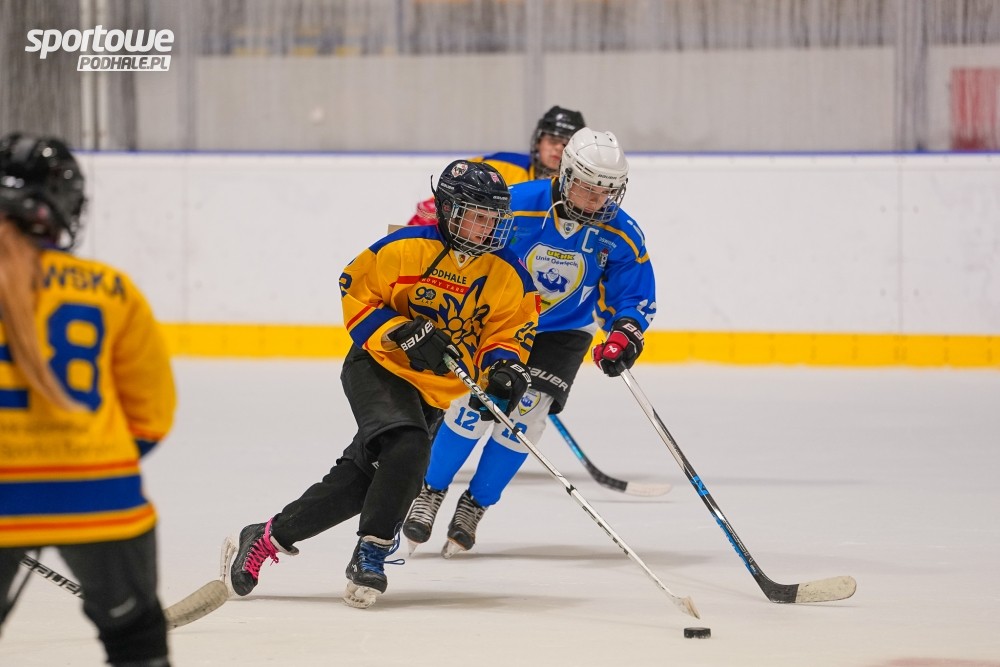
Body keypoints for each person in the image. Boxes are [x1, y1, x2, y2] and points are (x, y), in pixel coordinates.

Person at [225, 160, 540, 609]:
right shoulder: (403, 248)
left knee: (364, 482)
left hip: (433, 390)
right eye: (476, 215)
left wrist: (504, 368)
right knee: (408, 448)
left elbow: (508, 334)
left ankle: (266, 536)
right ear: (447, 210)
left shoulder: (509, 273)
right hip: (377, 365)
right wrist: (400, 330)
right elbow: (353, 289)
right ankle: (373, 550)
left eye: (492, 218)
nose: (486, 226)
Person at [403, 128, 655, 557]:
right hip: (501, 322)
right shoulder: (516, 205)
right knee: (472, 407)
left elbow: (632, 292)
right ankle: (430, 490)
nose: (596, 200)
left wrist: (625, 332)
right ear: (565, 174)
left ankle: (475, 506)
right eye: (587, 187)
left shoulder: (621, 232)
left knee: (525, 418)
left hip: (564, 332)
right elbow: (465, 249)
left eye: (606, 192)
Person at [0, 133, 176, 666]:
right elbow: (152, 415)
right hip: (100, 495)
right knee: (137, 640)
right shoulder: (109, 288)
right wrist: (82, 465)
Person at [406, 105, 585, 226]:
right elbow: (437, 205)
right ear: (538, 141)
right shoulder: (501, 167)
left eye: (566, 143)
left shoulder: (585, 190)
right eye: (552, 140)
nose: (558, 148)